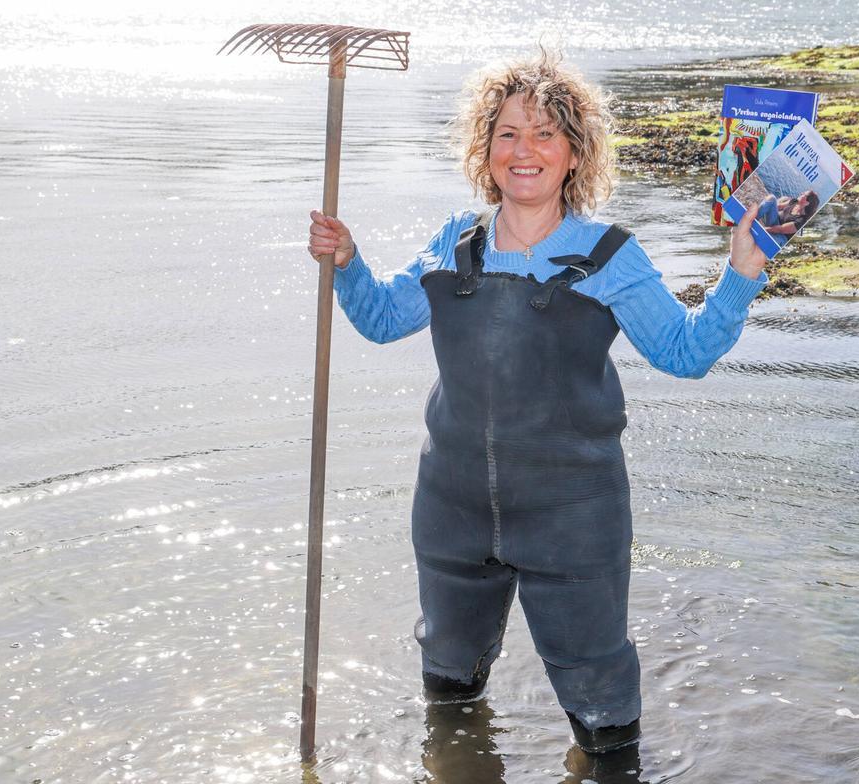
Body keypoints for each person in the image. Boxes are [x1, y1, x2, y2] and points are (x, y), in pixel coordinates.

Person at [306, 49, 769, 755]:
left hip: (573, 519)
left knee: (604, 722)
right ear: (485, 150)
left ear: (576, 154)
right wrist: (347, 263)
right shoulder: (451, 243)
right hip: (451, 512)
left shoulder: (611, 254)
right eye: (509, 134)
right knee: (450, 696)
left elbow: (687, 353)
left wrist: (740, 272)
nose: (526, 151)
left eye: (546, 134)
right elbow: (379, 320)